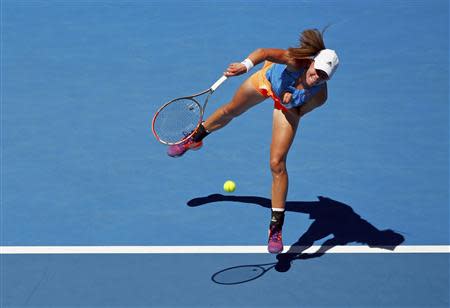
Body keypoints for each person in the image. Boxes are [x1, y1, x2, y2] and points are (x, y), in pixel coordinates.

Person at [168, 28, 339, 254]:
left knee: (277, 164)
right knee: (230, 110)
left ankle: (275, 229)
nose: (317, 77)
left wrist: (291, 101)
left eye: (324, 76)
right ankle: (194, 139)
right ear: (311, 63)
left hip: (286, 107)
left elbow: (298, 112)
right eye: (317, 71)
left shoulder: (320, 96)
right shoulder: (295, 60)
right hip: (266, 81)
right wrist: (244, 66)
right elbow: (264, 52)